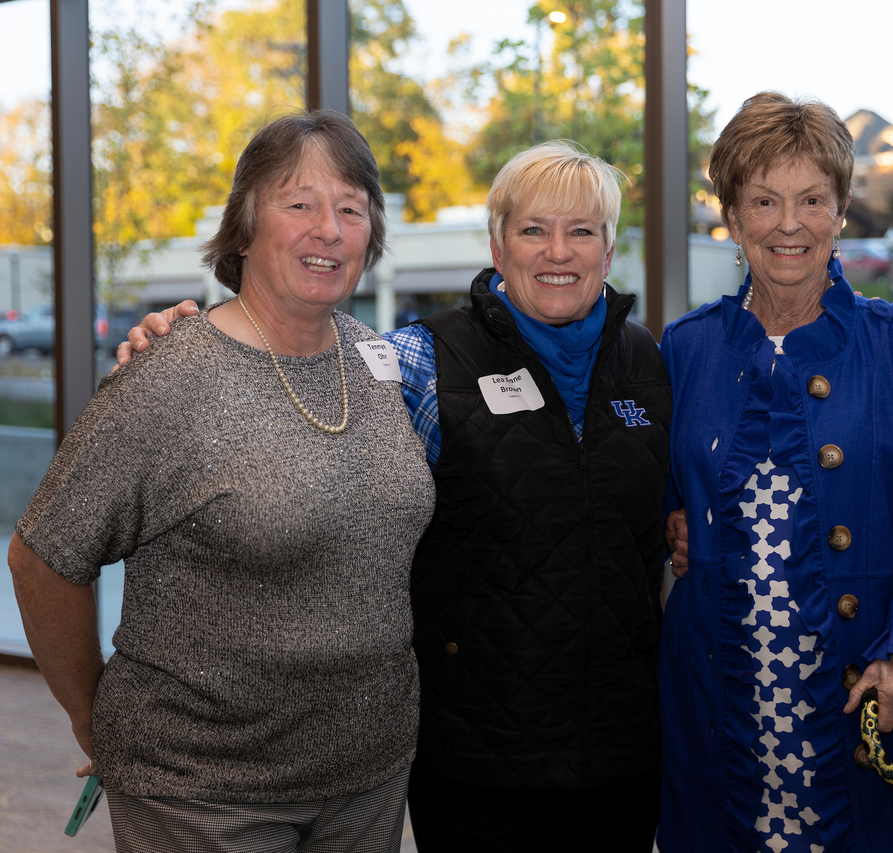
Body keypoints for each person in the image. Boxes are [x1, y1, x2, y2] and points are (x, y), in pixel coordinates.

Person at [117, 140, 671, 852]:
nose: (557, 251)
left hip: (622, 755)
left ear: (608, 247)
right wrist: (178, 343)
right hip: (477, 759)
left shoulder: (647, 359)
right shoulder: (415, 361)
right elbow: (289, 386)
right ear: (500, 247)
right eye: (533, 229)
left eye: (582, 230)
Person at [9, 110, 435, 852]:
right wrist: (92, 715)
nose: (328, 230)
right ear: (243, 228)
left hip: (367, 775)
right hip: (204, 792)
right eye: (299, 204)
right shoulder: (170, 373)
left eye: (350, 209)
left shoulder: (381, 362)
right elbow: (43, 555)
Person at [658, 91, 893, 852]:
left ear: (842, 210)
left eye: (812, 199)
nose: (789, 224)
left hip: (860, 698)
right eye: (764, 200)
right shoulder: (684, 349)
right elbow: (657, 493)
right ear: (730, 215)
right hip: (722, 699)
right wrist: (670, 520)